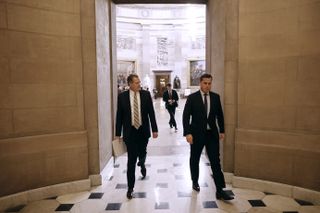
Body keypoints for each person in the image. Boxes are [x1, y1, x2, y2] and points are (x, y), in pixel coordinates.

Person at [182, 73, 234, 200]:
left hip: (211, 134)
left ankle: (220, 190)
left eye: (209, 83)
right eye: (205, 83)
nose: (207, 86)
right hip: (196, 135)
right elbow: (185, 116)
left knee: (215, 161)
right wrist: (188, 133)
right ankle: (195, 181)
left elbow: (220, 115)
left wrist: (222, 130)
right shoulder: (192, 98)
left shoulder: (215, 97)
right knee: (194, 159)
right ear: (200, 83)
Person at [115, 74, 158, 199]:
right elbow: (119, 116)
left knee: (142, 152)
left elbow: (151, 113)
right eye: (136, 82)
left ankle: (143, 163)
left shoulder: (146, 95)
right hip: (130, 133)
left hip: (143, 131)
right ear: (130, 84)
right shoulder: (122, 97)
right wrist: (118, 133)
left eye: (139, 82)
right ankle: (130, 188)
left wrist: (155, 129)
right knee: (131, 160)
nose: (139, 84)